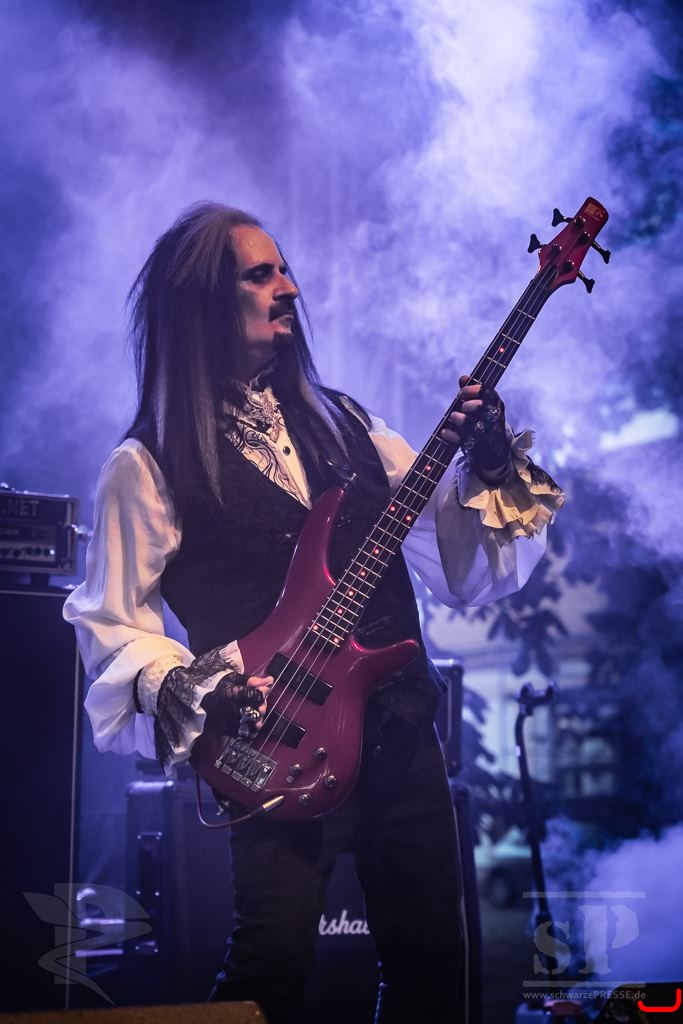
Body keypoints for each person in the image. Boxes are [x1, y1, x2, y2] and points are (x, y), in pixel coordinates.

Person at [64, 202, 564, 1023]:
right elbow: (111, 624)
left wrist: (485, 462)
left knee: (434, 962)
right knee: (272, 964)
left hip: (398, 729)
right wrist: (198, 688)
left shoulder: (348, 423)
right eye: (260, 275)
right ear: (202, 303)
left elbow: (459, 561)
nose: (289, 288)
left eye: (286, 269)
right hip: (275, 741)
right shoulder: (148, 462)